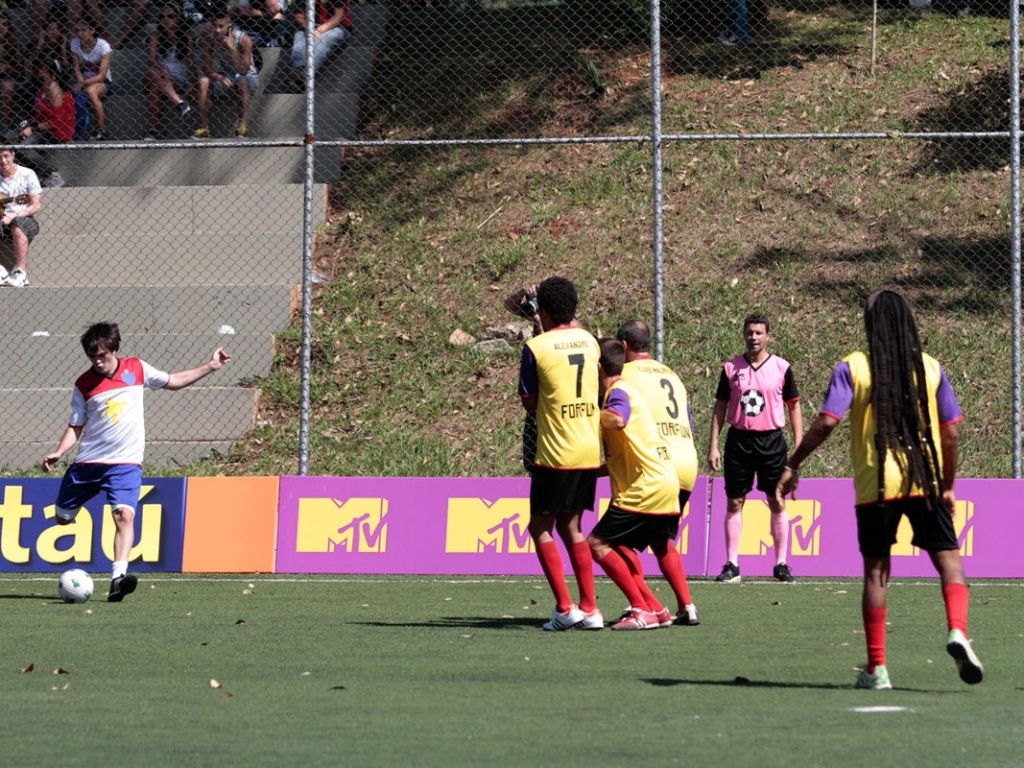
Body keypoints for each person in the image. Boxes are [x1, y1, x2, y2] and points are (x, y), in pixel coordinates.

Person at [778, 290, 983, 690]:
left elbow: (826, 422)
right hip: (925, 481)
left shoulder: (853, 366)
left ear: (869, 324)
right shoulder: (930, 367)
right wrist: (948, 485)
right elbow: (952, 431)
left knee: (876, 572)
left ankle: (878, 669)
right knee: (950, 562)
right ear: (909, 322)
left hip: (876, 485)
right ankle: (957, 630)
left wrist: (793, 463)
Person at [42, 322, 232, 602]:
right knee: (62, 519)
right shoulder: (84, 384)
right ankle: (70, 510)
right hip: (88, 464)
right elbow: (76, 425)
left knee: (124, 515)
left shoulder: (136, 368)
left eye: (102, 355)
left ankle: (118, 578)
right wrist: (58, 452)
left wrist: (210, 366)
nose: (97, 361)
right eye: (92, 357)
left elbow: (173, 381)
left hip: (125, 464)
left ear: (115, 350)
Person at [518, 276, 603, 631]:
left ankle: (565, 608)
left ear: (546, 310)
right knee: (573, 526)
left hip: (555, 451)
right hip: (588, 450)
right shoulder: (590, 340)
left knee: (540, 526)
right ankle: (591, 609)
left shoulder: (537, 347)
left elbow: (529, 401)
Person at [587, 338, 682, 631]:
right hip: (663, 482)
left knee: (597, 543)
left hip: (646, 488)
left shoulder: (619, 391)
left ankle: (640, 609)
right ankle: (656, 609)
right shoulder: (624, 390)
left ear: (599, 367)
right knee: (622, 545)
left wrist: (585, 415)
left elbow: (617, 420)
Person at [616, 320, 700, 626]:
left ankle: (646, 606)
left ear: (623, 346)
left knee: (616, 540)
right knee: (660, 539)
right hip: (687, 462)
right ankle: (686, 605)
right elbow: (689, 422)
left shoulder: (623, 375)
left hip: (656, 465)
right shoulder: (671, 375)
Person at [708, 312, 802, 582]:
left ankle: (781, 564)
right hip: (739, 441)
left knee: (776, 500)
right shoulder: (731, 368)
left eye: (759, 333)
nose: (754, 337)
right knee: (735, 500)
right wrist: (713, 445)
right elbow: (720, 406)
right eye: (750, 332)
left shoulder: (782, 368)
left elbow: (794, 406)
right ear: (743, 335)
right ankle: (731, 565)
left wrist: (798, 445)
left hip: (771, 441)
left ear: (768, 336)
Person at [9, 57, 74, 189]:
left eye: (37, 68)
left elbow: (57, 121)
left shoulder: (54, 88)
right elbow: (42, 115)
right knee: (10, 138)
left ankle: (52, 173)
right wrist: (30, 124)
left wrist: (32, 128)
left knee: (24, 148)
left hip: (57, 131)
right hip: (43, 127)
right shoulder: (43, 87)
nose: (33, 71)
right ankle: (33, 176)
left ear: (44, 70)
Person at [193, 9, 258, 139]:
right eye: (214, 26)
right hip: (224, 75)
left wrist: (232, 48)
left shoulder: (243, 39)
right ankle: (204, 128)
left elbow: (243, 70)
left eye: (221, 26)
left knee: (242, 81)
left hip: (247, 77)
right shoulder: (209, 40)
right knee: (203, 81)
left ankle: (242, 127)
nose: (217, 30)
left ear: (229, 25)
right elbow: (206, 68)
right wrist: (219, 77)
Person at [142, 3, 193, 141]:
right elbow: (151, 62)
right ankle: (178, 101)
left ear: (178, 19)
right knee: (154, 72)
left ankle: (153, 130)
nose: (166, 19)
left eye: (171, 16)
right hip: (157, 73)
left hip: (177, 78)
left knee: (155, 88)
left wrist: (192, 85)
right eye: (162, 16)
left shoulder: (185, 36)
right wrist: (162, 69)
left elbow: (191, 63)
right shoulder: (156, 35)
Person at [0, 148, 42, 288]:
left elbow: (36, 206)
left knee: (17, 224)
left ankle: (21, 273)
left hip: (24, 219)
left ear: (13, 155)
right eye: (0, 157)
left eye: (6, 156)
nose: (3, 161)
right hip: (1, 219)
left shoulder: (27, 174)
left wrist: (13, 215)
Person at [69, 16, 113, 140]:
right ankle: (76, 129)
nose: (79, 33)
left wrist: (83, 83)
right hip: (83, 80)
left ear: (92, 30)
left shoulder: (103, 46)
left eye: (83, 30)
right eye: (77, 30)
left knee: (90, 92)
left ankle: (101, 130)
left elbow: (102, 75)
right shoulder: (75, 43)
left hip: (102, 81)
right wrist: (80, 81)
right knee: (72, 93)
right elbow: (76, 68)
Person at [289, 0, 351, 79]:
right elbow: (298, 17)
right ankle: (298, 70)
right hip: (311, 26)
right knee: (299, 35)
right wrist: (309, 29)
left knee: (324, 38)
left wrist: (319, 31)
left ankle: (307, 74)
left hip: (337, 27)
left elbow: (338, 17)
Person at [0, 10, 27, 130]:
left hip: (8, 78)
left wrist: (8, 69)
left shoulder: (15, 44)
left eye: (4, 24)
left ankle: (4, 125)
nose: (1, 28)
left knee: (8, 86)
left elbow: (21, 73)